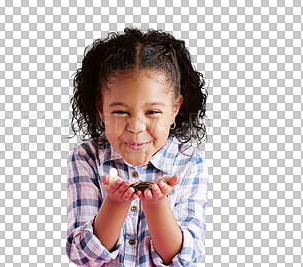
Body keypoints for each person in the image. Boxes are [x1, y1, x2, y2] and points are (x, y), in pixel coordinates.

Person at [66, 27, 209, 266]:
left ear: (174, 108)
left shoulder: (188, 162)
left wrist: (156, 204)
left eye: (152, 112)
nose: (136, 127)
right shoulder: (87, 157)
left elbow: (184, 259)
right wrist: (116, 202)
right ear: (101, 109)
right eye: (121, 112)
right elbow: (82, 255)